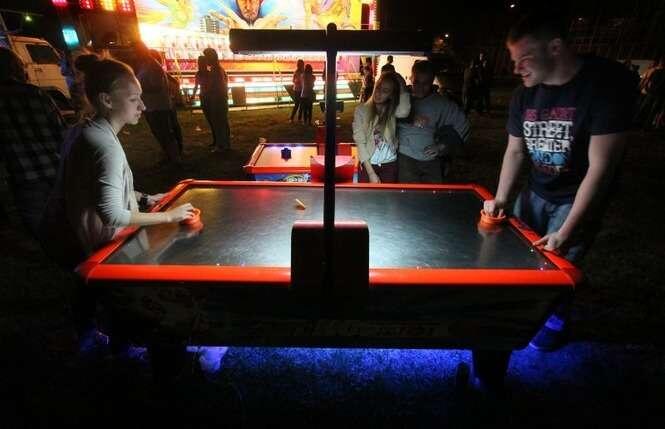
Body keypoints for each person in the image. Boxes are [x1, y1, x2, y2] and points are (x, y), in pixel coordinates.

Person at [483, 13, 637, 351]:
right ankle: (520, 312)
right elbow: (515, 151)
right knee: (517, 256)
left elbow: (601, 167)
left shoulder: (605, 85)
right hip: (535, 190)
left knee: (559, 268)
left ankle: (555, 319)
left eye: (524, 58)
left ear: (555, 48)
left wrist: (568, 230)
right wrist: (502, 198)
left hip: (575, 197)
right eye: (513, 60)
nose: (516, 68)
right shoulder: (524, 96)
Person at [41, 57, 196, 357]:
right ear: (107, 100)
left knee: (89, 294)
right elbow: (111, 214)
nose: (143, 107)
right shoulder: (104, 145)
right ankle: (120, 348)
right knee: (115, 294)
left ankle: (90, 339)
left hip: (62, 229)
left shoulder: (84, 129)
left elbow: (96, 188)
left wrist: (144, 198)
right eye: (134, 99)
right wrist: (169, 215)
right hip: (83, 238)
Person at [0, 47, 64, 238]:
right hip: (55, 168)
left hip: (24, 176)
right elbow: (61, 131)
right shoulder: (36, 93)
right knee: (67, 216)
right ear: (16, 67)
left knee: (41, 227)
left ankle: (53, 249)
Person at [397, 60, 470, 183]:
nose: (420, 87)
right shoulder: (402, 97)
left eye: (425, 83)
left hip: (430, 159)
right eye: (417, 82)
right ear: (411, 78)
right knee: (409, 191)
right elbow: (386, 114)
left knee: (433, 191)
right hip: (405, 157)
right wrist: (410, 117)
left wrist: (442, 146)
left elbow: (463, 124)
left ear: (432, 82)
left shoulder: (441, 103)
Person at [352, 72, 410, 183]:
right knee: (365, 194)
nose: (378, 93)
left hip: (389, 164)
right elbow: (360, 142)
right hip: (368, 165)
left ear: (391, 95)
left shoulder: (392, 110)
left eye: (385, 91)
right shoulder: (361, 110)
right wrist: (371, 173)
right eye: (378, 87)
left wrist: (401, 84)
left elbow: (404, 111)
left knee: (388, 195)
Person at [132, 42, 182, 164]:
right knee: (159, 132)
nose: (134, 55)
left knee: (164, 132)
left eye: (135, 52)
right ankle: (169, 156)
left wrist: (139, 89)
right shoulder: (145, 65)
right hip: (151, 105)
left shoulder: (152, 66)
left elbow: (157, 87)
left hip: (158, 106)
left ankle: (175, 158)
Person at [202, 48, 231, 152]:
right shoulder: (219, 69)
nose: (205, 60)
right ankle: (225, 144)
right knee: (222, 122)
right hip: (221, 99)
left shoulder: (215, 70)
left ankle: (221, 145)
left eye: (206, 57)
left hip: (217, 100)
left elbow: (214, 87)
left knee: (218, 123)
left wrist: (207, 92)